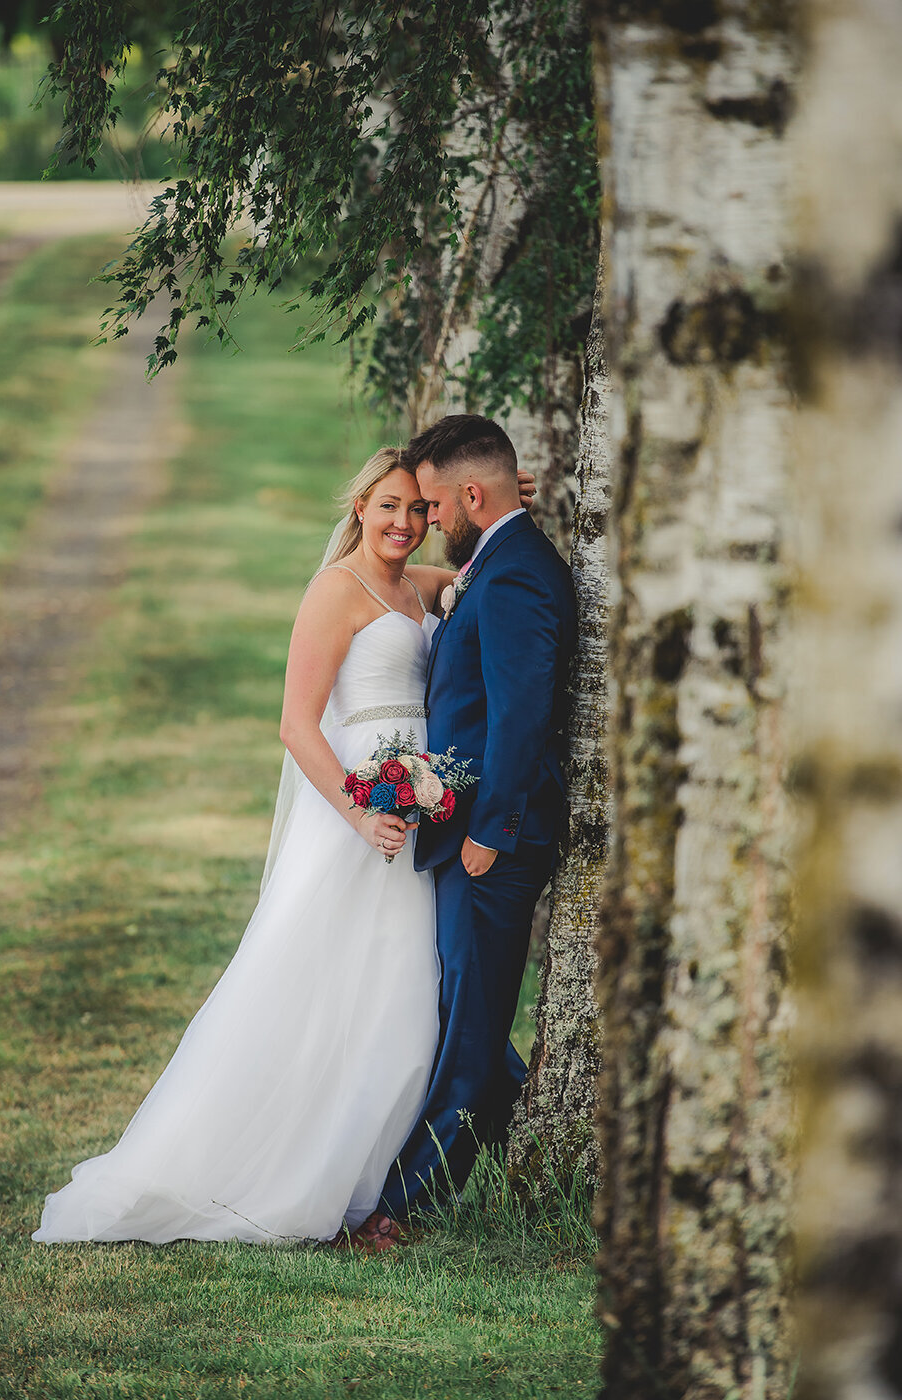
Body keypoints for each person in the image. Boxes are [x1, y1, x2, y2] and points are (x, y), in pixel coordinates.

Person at [32, 445, 535, 1247]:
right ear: (358, 511)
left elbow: (478, 577)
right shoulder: (334, 591)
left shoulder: (420, 587)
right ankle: (265, 1167)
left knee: (400, 994)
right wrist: (360, 814)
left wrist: (509, 504)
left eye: (417, 509)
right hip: (357, 816)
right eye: (388, 508)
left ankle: (361, 1172)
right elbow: (296, 725)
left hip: (416, 818)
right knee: (314, 981)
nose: (405, 523)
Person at [375, 415, 578, 1230]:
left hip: (493, 838)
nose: (425, 523)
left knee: (468, 1024)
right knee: (465, 1008)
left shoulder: (517, 574)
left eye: (432, 506)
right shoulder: (495, 559)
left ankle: (400, 1209)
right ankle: (522, 1139)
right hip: (461, 831)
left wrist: (490, 831)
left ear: (467, 495)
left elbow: (523, 715)